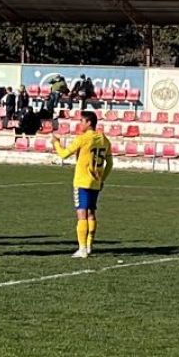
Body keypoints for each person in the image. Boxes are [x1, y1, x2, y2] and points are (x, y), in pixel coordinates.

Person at [52, 110, 113, 258]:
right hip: (95, 181)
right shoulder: (103, 139)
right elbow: (110, 163)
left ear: (89, 123)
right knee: (91, 213)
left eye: (82, 121)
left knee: (81, 213)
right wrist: (102, 179)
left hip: (82, 181)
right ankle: (90, 245)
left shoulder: (83, 138)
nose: (80, 124)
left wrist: (56, 143)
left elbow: (64, 154)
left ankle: (82, 248)